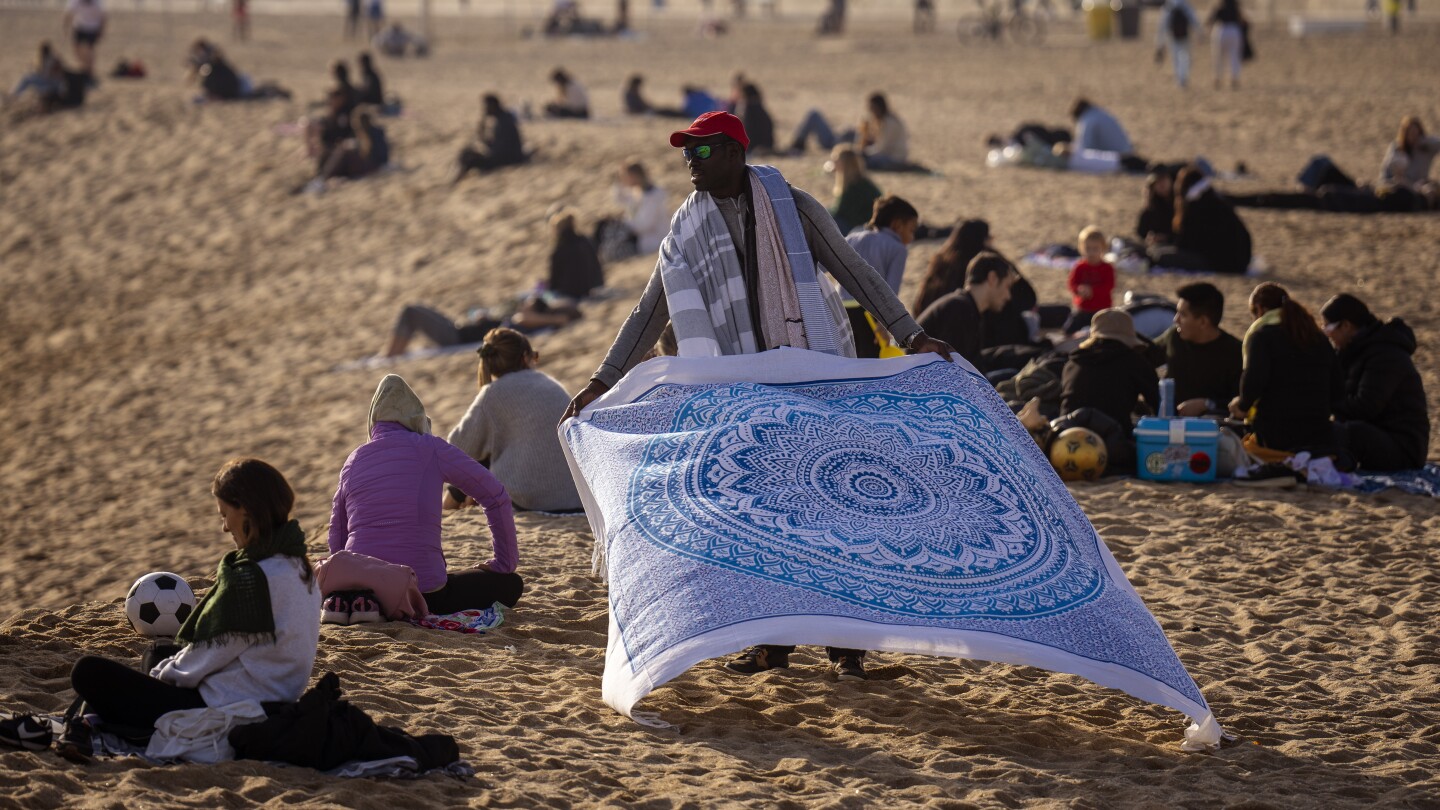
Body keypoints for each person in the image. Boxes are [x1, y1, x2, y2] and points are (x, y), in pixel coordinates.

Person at [560, 111, 957, 682]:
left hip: (813, 381)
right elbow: (652, 309)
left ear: (734, 152)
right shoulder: (686, 225)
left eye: (700, 152)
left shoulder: (793, 207)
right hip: (742, 397)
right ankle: (772, 645)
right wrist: (602, 382)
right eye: (684, 153)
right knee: (767, 520)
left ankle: (847, 651)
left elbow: (855, 271)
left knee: (833, 515)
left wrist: (910, 333)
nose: (688, 163)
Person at [68, 459, 320, 735]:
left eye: (224, 514)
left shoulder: (252, 578)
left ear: (245, 509)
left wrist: (160, 678)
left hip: (234, 706)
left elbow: (213, 652)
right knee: (159, 651)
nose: (224, 527)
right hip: (280, 695)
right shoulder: (299, 564)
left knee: (87, 671)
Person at [329, 375, 523, 615]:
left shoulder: (353, 460)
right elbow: (496, 496)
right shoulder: (430, 447)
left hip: (361, 589)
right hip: (424, 591)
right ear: (418, 418)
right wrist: (503, 563)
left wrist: (344, 582)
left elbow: (337, 532)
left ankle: (364, 602)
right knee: (511, 584)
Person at [445, 329, 584, 513]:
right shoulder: (550, 384)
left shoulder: (493, 393)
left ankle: (444, 512)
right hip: (576, 498)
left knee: (476, 459)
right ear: (525, 357)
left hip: (530, 500)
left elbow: (458, 447)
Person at [1320, 294, 1429, 471]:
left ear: (1346, 326)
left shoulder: (1386, 355)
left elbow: (1366, 406)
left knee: (1348, 433)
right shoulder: (1350, 351)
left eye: (1328, 327)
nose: (1327, 333)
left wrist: (1327, 403)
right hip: (1375, 434)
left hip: (1404, 449)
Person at [1229, 283, 1340, 456]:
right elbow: (1338, 386)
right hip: (1320, 434)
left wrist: (1242, 406)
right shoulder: (1319, 338)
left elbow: (1254, 380)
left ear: (1259, 309)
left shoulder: (1261, 337)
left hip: (1276, 435)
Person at [1060, 308, 1160, 442]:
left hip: (1066, 439)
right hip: (1112, 445)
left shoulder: (1073, 363)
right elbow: (1160, 403)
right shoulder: (1133, 361)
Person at [843, 195, 919, 357]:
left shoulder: (852, 238)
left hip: (842, 308)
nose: (912, 238)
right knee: (871, 362)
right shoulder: (897, 248)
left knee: (850, 358)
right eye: (911, 230)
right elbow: (890, 290)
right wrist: (885, 324)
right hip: (870, 312)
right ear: (897, 225)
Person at [915, 252, 1016, 371]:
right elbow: (953, 367)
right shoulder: (959, 308)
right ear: (992, 278)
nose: (1008, 296)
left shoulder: (967, 306)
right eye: (1007, 287)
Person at [1153, 282, 1242, 416]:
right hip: (1167, 423)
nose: (1175, 319)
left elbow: (1243, 402)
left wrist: (1207, 404)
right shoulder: (1174, 337)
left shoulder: (1235, 352)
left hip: (1213, 428)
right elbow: (1142, 359)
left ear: (1203, 322)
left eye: (1183, 314)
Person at [790, 92, 911, 170]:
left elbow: (881, 148)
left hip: (892, 158)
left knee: (856, 158)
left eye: (872, 109)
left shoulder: (889, 122)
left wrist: (861, 152)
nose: (870, 112)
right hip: (882, 154)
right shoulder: (882, 121)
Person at [1170, 165, 1252, 274]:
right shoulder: (1217, 201)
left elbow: (1186, 243)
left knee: (1163, 256)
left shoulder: (1196, 207)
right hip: (1238, 262)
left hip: (1218, 263)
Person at [911, 219, 992, 315]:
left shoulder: (940, 261)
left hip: (924, 318)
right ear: (983, 240)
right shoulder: (976, 266)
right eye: (989, 237)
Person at [595, 161, 669, 262]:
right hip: (637, 236)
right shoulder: (639, 191)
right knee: (604, 225)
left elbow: (644, 226)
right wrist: (618, 181)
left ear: (635, 176)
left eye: (626, 177)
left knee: (612, 241)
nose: (624, 180)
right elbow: (619, 198)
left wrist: (624, 223)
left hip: (648, 240)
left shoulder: (653, 196)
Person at [452, 94, 527, 184]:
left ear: (493, 106)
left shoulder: (503, 123)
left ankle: (457, 180)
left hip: (507, 160)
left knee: (468, 157)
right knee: (467, 152)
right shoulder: (503, 118)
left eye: (486, 107)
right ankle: (458, 178)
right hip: (508, 157)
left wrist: (482, 137)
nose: (485, 110)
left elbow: (498, 151)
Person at [545, 209, 605, 301]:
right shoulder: (585, 241)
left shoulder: (559, 249)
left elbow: (554, 282)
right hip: (591, 288)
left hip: (570, 293)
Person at [1065, 226, 1115, 333]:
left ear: (1103, 249)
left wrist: (1092, 291)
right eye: (1087, 248)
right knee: (1068, 330)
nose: (1091, 253)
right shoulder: (1079, 267)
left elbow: (1109, 286)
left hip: (1101, 310)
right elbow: (1071, 283)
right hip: (1083, 309)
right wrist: (1078, 289)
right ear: (1081, 248)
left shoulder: (1107, 268)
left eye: (1095, 249)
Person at [826, 146, 882, 235]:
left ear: (845, 163)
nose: (834, 163)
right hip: (862, 225)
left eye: (836, 160)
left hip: (865, 228)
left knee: (826, 220)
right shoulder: (859, 181)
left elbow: (842, 213)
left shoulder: (856, 186)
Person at [1381, 116, 1440, 193]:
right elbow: (1386, 175)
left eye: (1416, 133)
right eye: (1410, 133)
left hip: (1421, 186)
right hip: (1401, 187)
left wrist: (1423, 140)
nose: (1413, 136)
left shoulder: (1426, 148)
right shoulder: (1397, 149)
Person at [1155, 0, 1201, 89]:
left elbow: (1162, 25)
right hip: (1185, 36)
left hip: (1174, 37)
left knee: (1176, 58)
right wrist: (1199, 33)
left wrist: (1160, 42)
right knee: (1186, 58)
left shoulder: (1169, 6)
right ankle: (1183, 77)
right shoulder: (1185, 5)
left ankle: (1180, 79)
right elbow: (1194, 20)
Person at [1069, 98, 1133, 156]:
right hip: (1127, 151)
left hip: (1119, 157)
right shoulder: (1100, 113)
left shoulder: (1088, 120)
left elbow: (1085, 146)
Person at [7, 42, 63, 106]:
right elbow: (42, 73)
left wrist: (54, 68)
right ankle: (15, 95)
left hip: (51, 87)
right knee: (27, 78)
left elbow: (55, 77)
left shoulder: (54, 60)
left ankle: (15, 96)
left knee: (33, 83)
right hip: (45, 82)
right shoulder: (45, 60)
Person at [1208, 0, 1245, 90]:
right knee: (1234, 56)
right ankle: (1234, 78)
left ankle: (1217, 78)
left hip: (1221, 30)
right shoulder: (1236, 6)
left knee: (1218, 57)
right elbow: (1242, 20)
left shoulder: (1219, 6)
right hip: (1234, 30)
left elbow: (1210, 20)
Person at [63, 0, 106, 75]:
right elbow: (69, 13)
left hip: (93, 28)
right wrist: (65, 27)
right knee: (76, 50)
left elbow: (103, 17)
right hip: (79, 26)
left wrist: (101, 30)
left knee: (89, 51)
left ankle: (90, 71)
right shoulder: (76, 2)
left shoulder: (97, 2)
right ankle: (85, 67)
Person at [1137, 167, 1176, 246]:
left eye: (1163, 180)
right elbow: (1141, 232)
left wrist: (1166, 237)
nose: (1161, 184)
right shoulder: (1152, 205)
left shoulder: (1178, 202)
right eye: (1157, 182)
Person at [734, 83, 775, 153]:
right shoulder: (759, 108)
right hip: (767, 145)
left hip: (753, 146)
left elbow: (747, 130)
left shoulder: (747, 108)